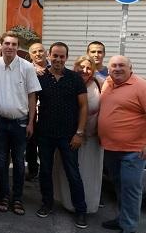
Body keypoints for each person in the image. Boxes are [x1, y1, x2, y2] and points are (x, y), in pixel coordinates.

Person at [0, 31, 41, 216]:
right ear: (0, 45)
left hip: (20, 123)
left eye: (14, 44)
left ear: (18, 47)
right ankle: (4, 196)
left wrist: (31, 122)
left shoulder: (27, 67)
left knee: (18, 162)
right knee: (1, 161)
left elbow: (32, 96)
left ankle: (17, 198)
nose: (10, 47)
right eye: (7, 43)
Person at [34, 42, 88, 229]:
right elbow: (32, 102)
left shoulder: (75, 78)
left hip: (69, 135)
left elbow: (84, 107)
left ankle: (81, 210)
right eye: (55, 55)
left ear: (66, 57)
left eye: (61, 56)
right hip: (45, 134)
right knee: (46, 171)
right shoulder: (40, 78)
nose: (58, 59)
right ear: (49, 55)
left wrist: (79, 133)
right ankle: (47, 203)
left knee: (73, 173)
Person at [98, 55, 146, 233]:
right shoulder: (108, 83)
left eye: (121, 65)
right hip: (111, 148)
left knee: (131, 190)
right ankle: (122, 219)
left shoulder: (140, 85)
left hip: (133, 150)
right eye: (113, 66)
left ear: (130, 68)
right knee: (118, 187)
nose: (117, 68)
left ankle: (129, 227)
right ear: (108, 69)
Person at [53, 55, 103, 214]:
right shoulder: (68, 80)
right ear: (75, 67)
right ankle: (67, 203)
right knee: (68, 170)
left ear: (93, 70)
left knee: (88, 173)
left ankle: (87, 205)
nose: (85, 70)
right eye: (81, 67)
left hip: (92, 138)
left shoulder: (100, 84)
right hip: (68, 135)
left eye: (89, 68)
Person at [27, 42, 48, 182]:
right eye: (34, 52)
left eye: (40, 51)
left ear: (46, 52)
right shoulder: (26, 69)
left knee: (46, 145)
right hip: (31, 113)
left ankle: (47, 172)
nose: (38, 54)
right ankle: (33, 170)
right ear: (30, 55)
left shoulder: (54, 69)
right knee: (31, 144)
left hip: (48, 113)